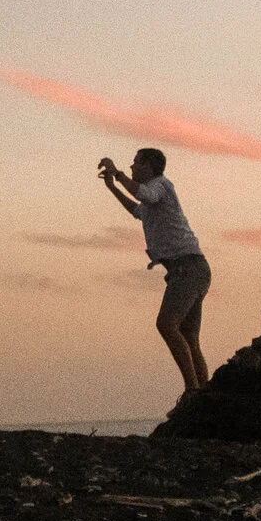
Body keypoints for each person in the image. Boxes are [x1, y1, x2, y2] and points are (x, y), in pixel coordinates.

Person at [99, 148, 211, 398]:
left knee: (167, 324)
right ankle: (204, 394)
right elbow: (138, 211)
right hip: (191, 269)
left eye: (135, 163)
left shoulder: (161, 185)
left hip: (188, 269)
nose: (131, 167)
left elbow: (144, 195)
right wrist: (112, 187)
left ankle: (192, 391)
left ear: (148, 166)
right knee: (189, 335)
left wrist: (117, 174)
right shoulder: (153, 196)